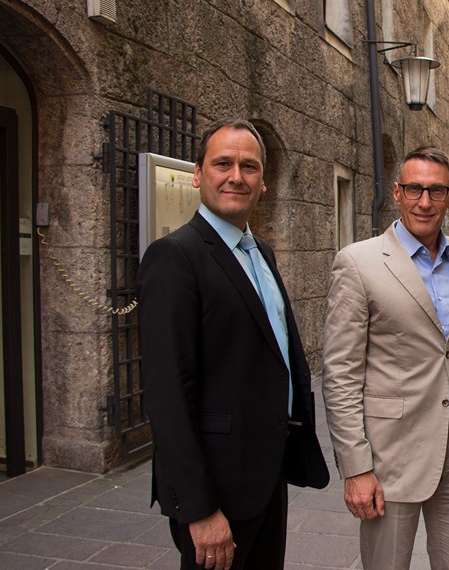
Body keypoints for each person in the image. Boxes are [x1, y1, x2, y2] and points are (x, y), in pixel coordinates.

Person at [138, 118, 329, 570]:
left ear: (263, 182)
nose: (236, 176)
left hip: (265, 474)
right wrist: (199, 509)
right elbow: (167, 394)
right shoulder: (175, 257)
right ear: (198, 174)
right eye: (222, 163)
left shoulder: (260, 251)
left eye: (249, 166)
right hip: (216, 489)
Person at [322, 146, 449, 569]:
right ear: (397, 192)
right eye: (414, 189)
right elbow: (340, 375)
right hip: (390, 455)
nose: (424, 201)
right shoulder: (358, 263)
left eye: (435, 190)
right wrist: (356, 467)